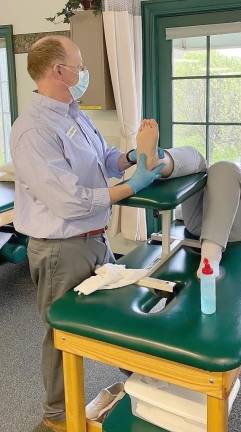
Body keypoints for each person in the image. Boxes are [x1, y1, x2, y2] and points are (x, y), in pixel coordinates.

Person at [10, 36, 163, 432]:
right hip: (61, 249)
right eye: (79, 65)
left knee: (119, 314)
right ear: (59, 71)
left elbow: (103, 160)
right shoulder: (33, 131)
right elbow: (70, 201)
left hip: (94, 240)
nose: (84, 73)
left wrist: (130, 158)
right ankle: (57, 418)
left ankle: (148, 387)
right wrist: (135, 186)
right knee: (62, 334)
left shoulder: (74, 115)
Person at [133, 120, 241, 277]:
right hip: (201, 222)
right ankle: (158, 162)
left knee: (224, 167)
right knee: (198, 161)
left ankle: (210, 258)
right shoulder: (233, 178)